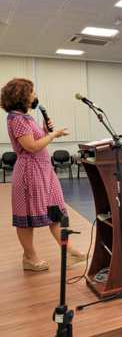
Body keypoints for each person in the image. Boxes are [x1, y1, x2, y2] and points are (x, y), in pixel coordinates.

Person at [1, 78, 85, 271]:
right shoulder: (17, 119)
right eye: (31, 92)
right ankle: (29, 258)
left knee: (55, 212)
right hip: (29, 172)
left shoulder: (27, 118)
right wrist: (52, 135)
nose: (35, 95)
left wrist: (45, 130)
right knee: (26, 217)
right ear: (21, 96)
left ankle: (70, 252)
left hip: (44, 170)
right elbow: (31, 147)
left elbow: (37, 140)